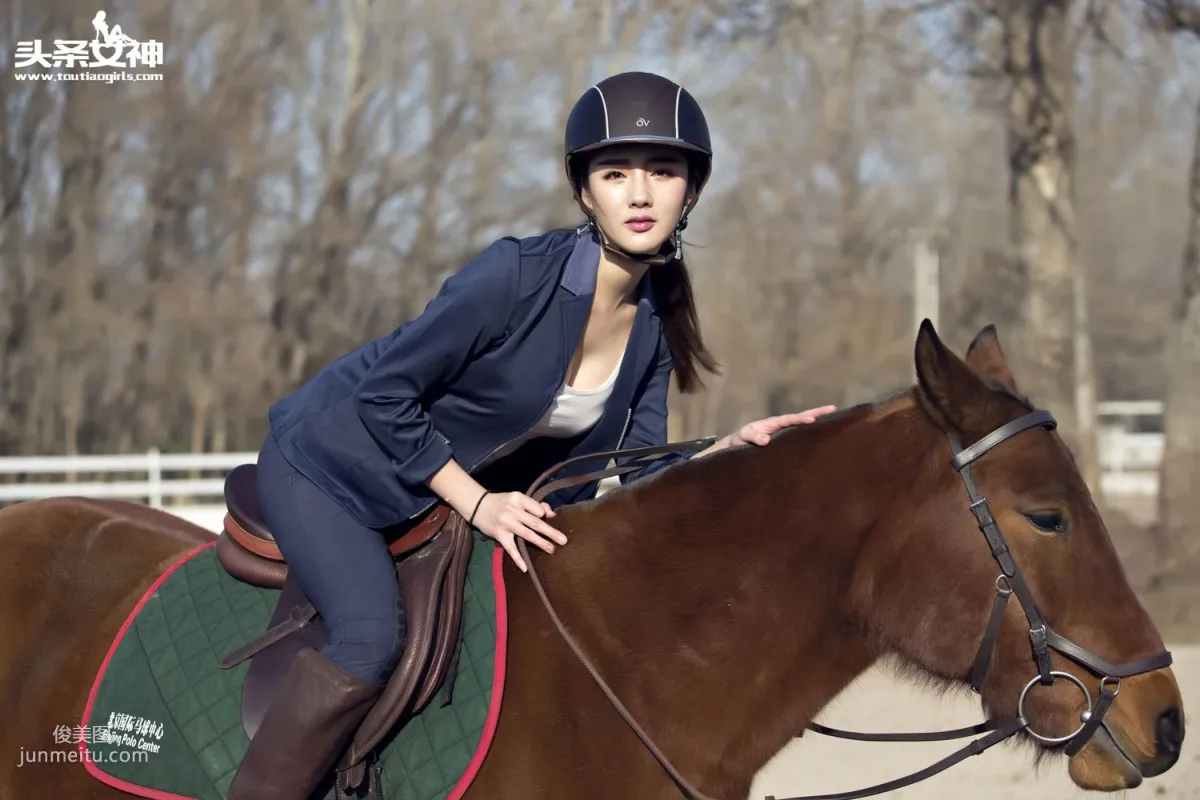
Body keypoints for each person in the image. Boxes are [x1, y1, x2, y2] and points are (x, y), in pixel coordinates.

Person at [226, 71, 837, 799]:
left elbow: (634, 474)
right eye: (615, 174)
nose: (640, 195)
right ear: (585, 192)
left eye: (663, 172)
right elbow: (382, 394)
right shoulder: (512, 276)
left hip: (444, 503)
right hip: (333, 465)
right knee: (368, 637)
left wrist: (727, 454)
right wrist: (479, 503)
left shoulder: (653, 321)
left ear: (692, 190)